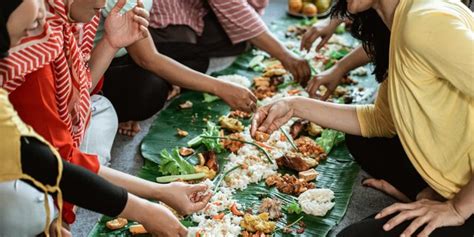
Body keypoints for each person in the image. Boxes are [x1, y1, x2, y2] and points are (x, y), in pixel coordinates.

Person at [251, 0, 474, 236]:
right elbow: (381, 121)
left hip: (467, 200)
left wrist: (458, 208)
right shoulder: (398, 20)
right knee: (363, 141)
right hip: (456, 169)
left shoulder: (422, 23)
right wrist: (294, 106)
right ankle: (428, 192)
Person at [0, 0, 211, 234]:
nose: (42, 30)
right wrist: (149, 204)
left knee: (100, 110)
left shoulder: (59, 28)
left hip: (46, 146)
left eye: (41, 18)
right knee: (29, 208)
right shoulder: (34, 56)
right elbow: (53, 161)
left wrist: (111, 43)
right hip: (38, 157)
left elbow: (82, 93)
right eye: (30, 27)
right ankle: (60, 208)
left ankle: (71, 199)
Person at [92, 0, 259, 136]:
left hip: (128, 48)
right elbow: (148, 58)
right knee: (150, 89)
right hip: (99, 64)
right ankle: (121, 107)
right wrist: (220, 88)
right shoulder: (120, 2)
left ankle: (171, 82)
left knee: (195, 57)